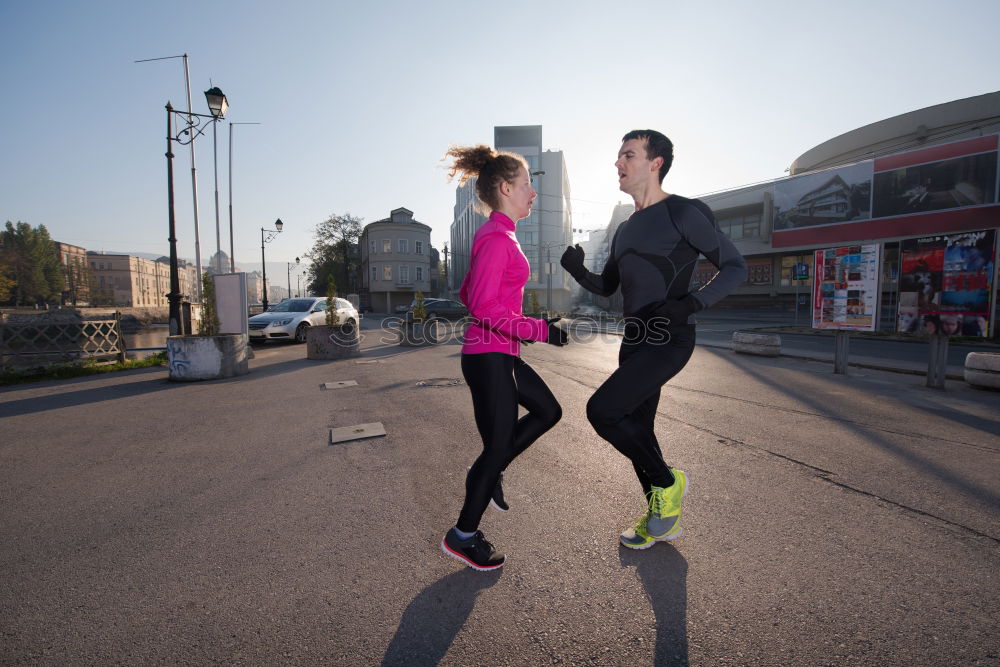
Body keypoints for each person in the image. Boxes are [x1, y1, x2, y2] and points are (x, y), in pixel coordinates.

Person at [561, 130, 747, 549]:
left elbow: (735, 267)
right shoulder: (625, 229)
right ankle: (661, 518)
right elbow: (607, 286)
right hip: (634, 340)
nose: (618, 163)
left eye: (628, 155)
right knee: (639, 429)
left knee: (603, 412)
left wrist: (691, 304)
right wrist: (576, 270)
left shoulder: (683, 212)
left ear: (655, 162)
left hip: (670, 336)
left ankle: (669, 482)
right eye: (618, 156)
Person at [440, 145, 568, 571]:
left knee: (548, 411)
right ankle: (463, 535)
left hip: (499, 352)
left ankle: (490, 469)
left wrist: (518, 322)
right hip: (488, 355)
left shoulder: (498, 234)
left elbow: (469, 292)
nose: (533, 193)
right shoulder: (496, 237)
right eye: (528, 185)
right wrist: (539, 329)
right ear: (506, 187)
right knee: (496, 448)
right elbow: (480, 305)